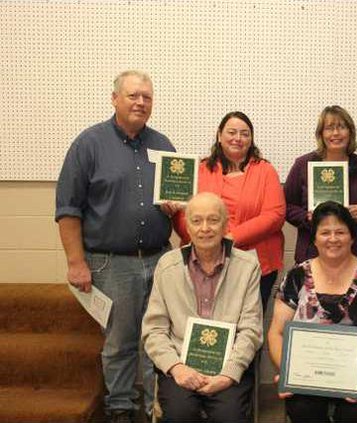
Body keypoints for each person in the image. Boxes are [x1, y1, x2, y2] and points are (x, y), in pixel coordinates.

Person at [55, 70, 174, 423]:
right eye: (133, 96)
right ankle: (120, 408)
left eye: (147, 97)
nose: (140, 103)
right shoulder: (88, 144)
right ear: (115, 99)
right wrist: (76, 262)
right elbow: (67, 209)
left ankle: (158, 406)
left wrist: (175, 206)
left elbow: (177, 200)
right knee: (120, 342)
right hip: (111, 263)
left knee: (161, 338)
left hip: (160, 259)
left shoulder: (163, 145)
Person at [268, 201, 357, 423]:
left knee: (353, 414)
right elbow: (276, 332)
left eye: (340, 232)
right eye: (325, 232)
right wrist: (288, 371)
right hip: (308, 371)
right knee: (302, 409)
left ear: (352, 237)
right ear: (315, 238)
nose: (333, 238)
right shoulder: (297, 276)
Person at [142, 192, 263, 423]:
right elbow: (154, 330)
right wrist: (176, 368)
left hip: (227, 368)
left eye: (213, 220)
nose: (205, 228)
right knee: (179, 414)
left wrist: (229, 373)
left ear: (226, 225)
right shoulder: (168, 265)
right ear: (187, 225)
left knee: (230, 417)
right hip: (180, 367)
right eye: (196, 221)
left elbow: (251, 330)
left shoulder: (247, 267)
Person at [165, 111, 285, 309]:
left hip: (257, 263)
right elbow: (182, 215)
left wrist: (227, 239)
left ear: (251, 139)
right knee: (205, 322)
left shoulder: (266, 170)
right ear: (219, 135)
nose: (238, 138)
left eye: (245, 134)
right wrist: (207, 242)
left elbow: (275, 215)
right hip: (203, 262)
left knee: (247, 325)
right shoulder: (199, 170)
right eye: (232, 132)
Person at [284, 105, 357, 263]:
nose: (336, 133)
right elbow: (286, 205)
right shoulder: (303, 165)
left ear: (350, 132)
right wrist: (306, 217)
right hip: (312, 253)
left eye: (341, 127)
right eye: (329, 128)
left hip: (355, 254)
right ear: (321, 134)